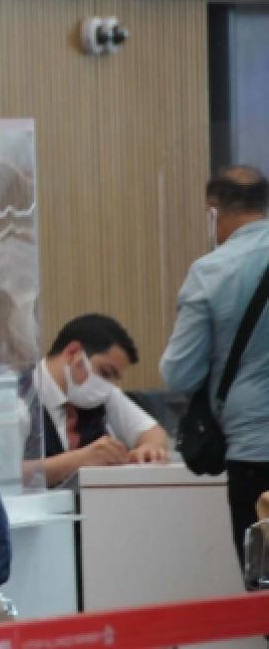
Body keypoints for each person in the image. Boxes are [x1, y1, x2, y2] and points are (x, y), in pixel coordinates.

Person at [161, 165, 269, 572]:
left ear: (213, 211)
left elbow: (179, 373)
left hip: (254, 452)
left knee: (263, 585)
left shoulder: (211, 272)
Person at [22, 314, 170, 488]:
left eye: (115, 378)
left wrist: (150, 449)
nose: (109, 385)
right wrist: (79, 459)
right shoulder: (21, 395)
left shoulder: (102, 394)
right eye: (106, 373)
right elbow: (6, 475)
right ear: (72, 353)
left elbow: (152, 432)